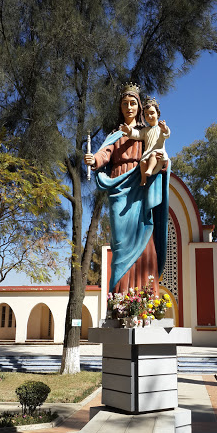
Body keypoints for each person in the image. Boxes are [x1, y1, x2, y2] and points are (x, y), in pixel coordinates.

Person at [84, 82, 170, 296]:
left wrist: (162, 162)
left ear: (139, 107)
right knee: (120, 241)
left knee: (143, 234)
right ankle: (120, 298)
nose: (129, 107)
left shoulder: (146, 131)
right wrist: (94, 159)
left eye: (133, 103)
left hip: (141, 181)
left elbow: (158, 148)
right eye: (125, 104)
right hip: (119, 185)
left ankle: (143, 297)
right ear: (120, 108)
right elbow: (105, 154)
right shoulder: (116, 134)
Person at [120, 97, 170, 186]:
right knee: (143, 162)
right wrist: (129, 131)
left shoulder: (160, 128)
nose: (149, 116)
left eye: (152, 113)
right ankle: (143, 179)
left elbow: (167, 134)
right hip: (148, 152)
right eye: (146, 114)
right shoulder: (145, 130)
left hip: (159, 151)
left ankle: (150, 170)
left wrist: (164, 129)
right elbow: (137, 134)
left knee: (153, 155)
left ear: (158, 114)